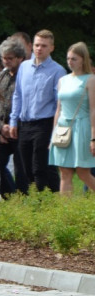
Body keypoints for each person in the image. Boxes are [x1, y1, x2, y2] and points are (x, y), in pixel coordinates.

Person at [10, 29, 66, 192]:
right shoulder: (24, 67)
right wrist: (14, 120)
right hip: (25, 123)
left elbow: (59, 103)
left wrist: (56, 129)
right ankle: (36, 199)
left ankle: (42, 202)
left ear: (51, 48)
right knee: (25, 166)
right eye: (36, 45)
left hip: (44, 123)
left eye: (43, 45)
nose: (39, 49)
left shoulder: (57, 71)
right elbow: (17, 95)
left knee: (39, 166)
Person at [49, 42, 95, 195]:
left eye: (74, 58)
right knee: (64, 171)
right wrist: (53, 135)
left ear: (83, 59)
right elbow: (58, 109)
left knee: (83, 172)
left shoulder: (90, 80)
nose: (70, 62)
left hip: (82, 127)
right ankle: (65, 214)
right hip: (63, 127)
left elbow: (93, 111)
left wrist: (93, 138)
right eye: (68, 59)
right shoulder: (63, 80)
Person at [0, 37, 26, 194]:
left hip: (21, 128)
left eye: (10, 58)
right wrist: (1, 128)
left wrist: (14, 126)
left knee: (22, 169)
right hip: (2, 129)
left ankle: (23, 201)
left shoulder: (26, 76)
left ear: (20, 57)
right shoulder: (0, 77)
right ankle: (11, 198)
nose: (6, 61)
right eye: (4, 58)